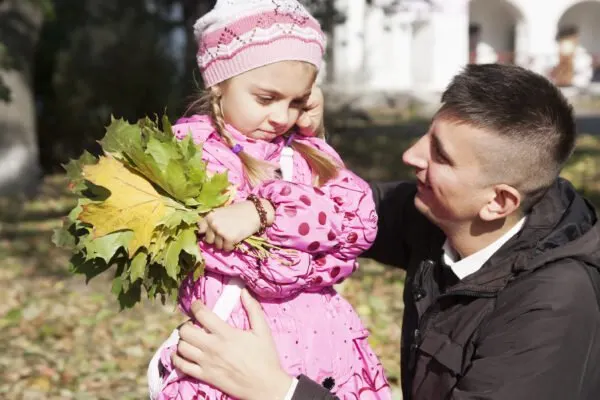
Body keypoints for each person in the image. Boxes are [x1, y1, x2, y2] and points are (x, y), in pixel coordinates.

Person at [171, 63, 600, 400]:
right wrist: (301, 141)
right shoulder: (440, 216)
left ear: (499, 201)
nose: (410, 155)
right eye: (426, 135)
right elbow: (339, 216)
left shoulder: (552, 308)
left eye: (440, 156)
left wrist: (279, 391)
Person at [147, 1, 391, 399]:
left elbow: (360, 224)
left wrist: (264, 210)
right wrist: (319, 248)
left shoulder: (305, 149)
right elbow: (266, 268)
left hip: (328, 347)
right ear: (218, 85)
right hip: (234, 356)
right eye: (266, 98)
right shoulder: (190, 154)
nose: (282, 117)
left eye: (297, 101)